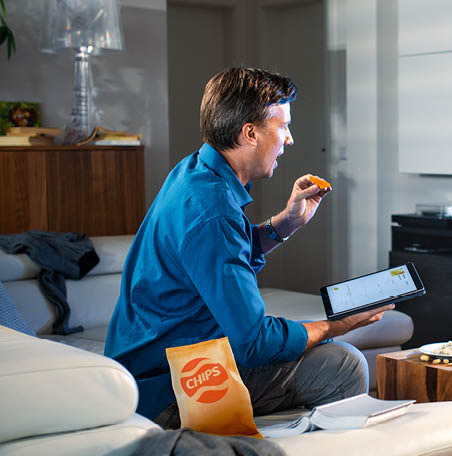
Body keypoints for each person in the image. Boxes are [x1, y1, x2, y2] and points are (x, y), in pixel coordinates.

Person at [105, 67, 392, 427]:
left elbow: (222, 253)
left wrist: (286, 222)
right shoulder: (213, 210)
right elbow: (252, 341)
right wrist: (335, 326)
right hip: (168, 390)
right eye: (283, 126)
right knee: (343, 364)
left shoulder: (194, 173)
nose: (289, 139)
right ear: (250, 133)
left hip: (152, 372)